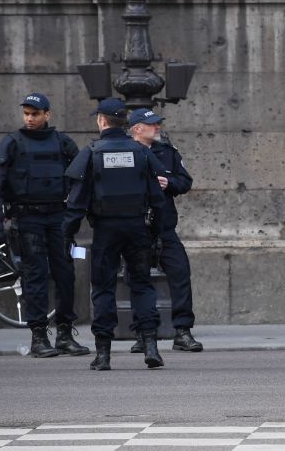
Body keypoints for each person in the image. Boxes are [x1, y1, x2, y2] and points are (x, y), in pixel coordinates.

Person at [62, 98, 167, 370]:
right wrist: (157, 232)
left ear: (102, 121)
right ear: (125, 123)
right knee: (142, 285)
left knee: (103, 288)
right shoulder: (141, 152)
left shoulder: (93, 152)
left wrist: (67, 234)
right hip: (137, 228)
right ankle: (150, 345)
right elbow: (157, 197)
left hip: (106, 229)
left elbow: (76, 202)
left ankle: (104, 353)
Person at [0, 93, 89, 357]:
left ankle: (65, 334)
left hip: (57, 217)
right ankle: (39, 337)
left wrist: (75, 216)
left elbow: (81, 180)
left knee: (65, 275)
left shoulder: (62, 142)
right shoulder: (11, 143)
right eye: (26, 113)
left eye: (35, 114)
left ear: (47, 115)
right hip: (27, 218)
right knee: (35, 277)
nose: (29, 118)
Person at [127, 108, 203, 353]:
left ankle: (182, 332)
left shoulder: (168, 153)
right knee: (137, 280)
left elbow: (185, 182)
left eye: (158, 123)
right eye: (152, 124)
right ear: (137, 128)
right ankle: (143, 334)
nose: (157, 127)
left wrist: (169, 183)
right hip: (136, 229)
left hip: (164, 228)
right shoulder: (124, 153)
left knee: (180, 275)